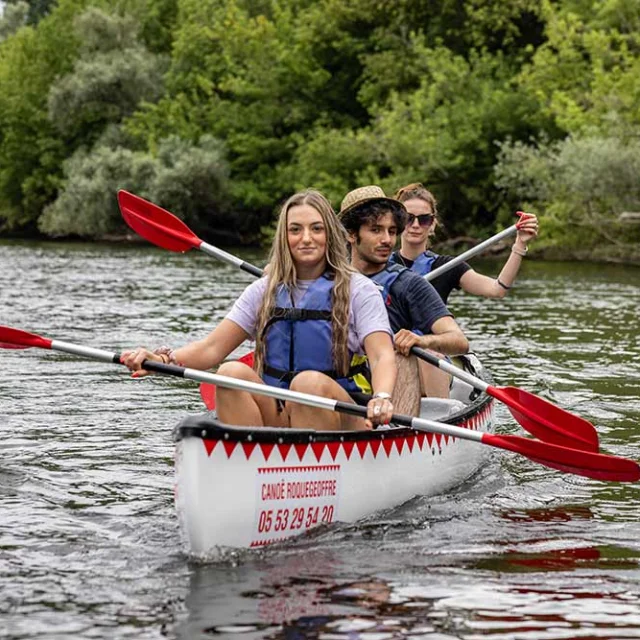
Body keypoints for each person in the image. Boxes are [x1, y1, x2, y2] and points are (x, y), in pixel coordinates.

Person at [121, 189, 397, 431]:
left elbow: (382, 355)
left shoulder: (359, 289)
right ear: (284, 237)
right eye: (295, 229)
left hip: (343, 414)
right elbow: (210, 350)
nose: (306, 239)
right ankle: (252, 462)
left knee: (308, 383)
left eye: (316, 228)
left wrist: (382, 396)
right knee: (230, 372)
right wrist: (161, 361)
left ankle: (310, 474)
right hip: (277, 410)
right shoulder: (263, 291)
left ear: (330, 235)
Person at [339, 185, 469, 405]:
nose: (387, 240)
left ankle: (427, 430)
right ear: (351, 234)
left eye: (391, 231)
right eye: (376, 230)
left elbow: (459, 341)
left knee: (412, 355)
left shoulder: (409, 284)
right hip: (343, 383)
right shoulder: (326, 278)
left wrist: (421, 339)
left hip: (392, 387)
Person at [389, 183, 539, 304]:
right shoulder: (381, 264)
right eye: (408, 218)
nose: (415, 225)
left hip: (428, 339)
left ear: (432, 224)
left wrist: (519, 244)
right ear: (398, 222)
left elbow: (497, 289)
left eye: (424, 219)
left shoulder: (448, 267)